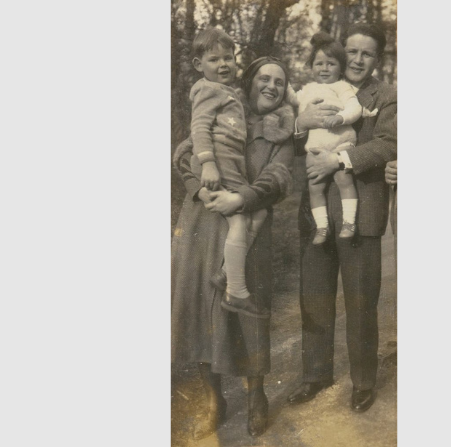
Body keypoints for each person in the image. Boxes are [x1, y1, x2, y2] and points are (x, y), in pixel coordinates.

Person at [171, 57, 295, 438]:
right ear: (250, 81)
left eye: (279, 81)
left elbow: (277, 179)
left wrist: (239, 199)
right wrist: (199, 190)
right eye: (264, 78)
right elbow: (183, 155)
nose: (271, 86)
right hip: (204, 222)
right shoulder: (223, 108)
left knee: (249, 314)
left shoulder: (282, 130)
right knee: (201, 312)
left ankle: (256, 395)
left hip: (248, 228)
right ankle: (214, 400)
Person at [287, 23, 397, 414]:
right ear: (341, 51)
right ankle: (315, 375)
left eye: (367, 53)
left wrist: (340, 159)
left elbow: (388, 143)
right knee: (314, 296)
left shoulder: (387, 95)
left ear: (377, 59)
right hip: (316, 207)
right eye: (352, 51)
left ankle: (363, 381)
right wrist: (300, 124)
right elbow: (290, 138)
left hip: (361, 208)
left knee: (361, 301)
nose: (357, 59)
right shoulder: (317, 86)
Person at [185, 28, 269, 318]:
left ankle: (226, 272)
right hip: (217, 164)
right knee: (239, 219)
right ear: (199, 65)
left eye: (228, 58)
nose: (223, 64)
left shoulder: (228, 93)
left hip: (230, 165)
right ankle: (236, 292)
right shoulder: (207, 90)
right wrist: (207, 163)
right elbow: (199, 127)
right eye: (214, 59)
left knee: (259, 213)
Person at [287, 32, 364, 244]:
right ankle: (322, 227)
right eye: (319, 64)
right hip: (316, 147)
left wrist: (341, 117)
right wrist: (283, 81)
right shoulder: (308, 89)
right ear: (311, 67)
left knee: (344, 179)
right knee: (315, 186)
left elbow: (355, 108)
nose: (324, 68)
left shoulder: (342, 86)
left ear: (341, 68)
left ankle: (349, 222)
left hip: (340, 143)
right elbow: (293, 98)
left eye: (331, 64)